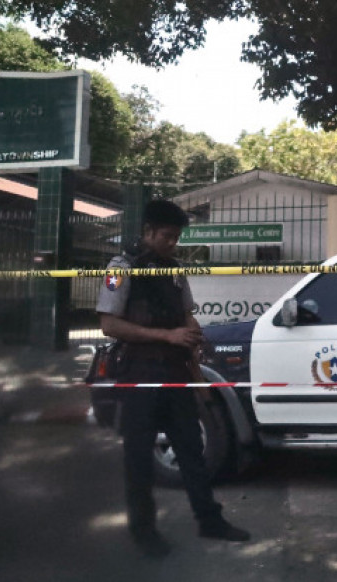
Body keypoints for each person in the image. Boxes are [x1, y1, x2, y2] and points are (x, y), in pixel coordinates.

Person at [97, 200, 249, 558]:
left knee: (191, 451)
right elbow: (109, 324)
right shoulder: (121, 267)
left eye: (177, 237)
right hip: (139, 372)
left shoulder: (175, 270)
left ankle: (210, 521)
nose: (172, 243)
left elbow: (186, 315)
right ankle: (144, 531)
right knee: (138, 457)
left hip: (177, 370)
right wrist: (168, 337)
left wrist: (196, 337)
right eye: (166, 236)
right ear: (148, 231)